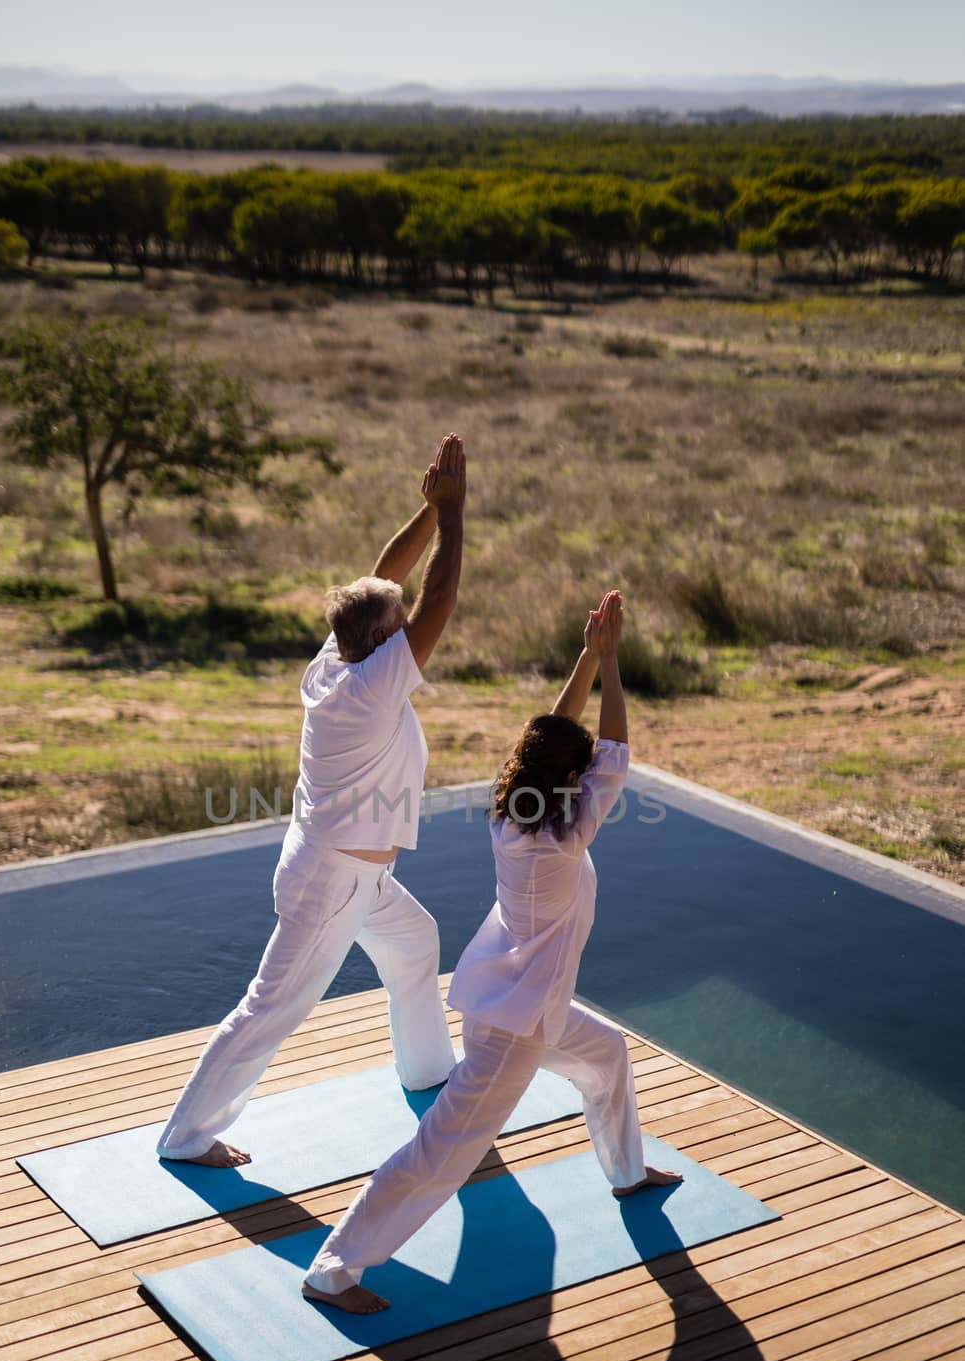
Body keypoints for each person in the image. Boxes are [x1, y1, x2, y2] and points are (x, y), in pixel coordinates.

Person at [302, 588, 682, 1312]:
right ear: (569, 781)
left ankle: (627, 1170)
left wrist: (588, 658)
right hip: (513, 1029)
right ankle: (334, 1269)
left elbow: (557, 737)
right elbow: (614, 753)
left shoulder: (516, 812)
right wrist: (612, 666)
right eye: (580, 769)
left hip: (522, 1004)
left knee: (605, 1057)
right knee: (440, 1153)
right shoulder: (563, 840)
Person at [156, 434, 467, 1167]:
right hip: (332, 882)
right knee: (272, 1007)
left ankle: (428, 1070)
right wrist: (454, 515)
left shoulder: (337, 659)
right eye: (398, 627)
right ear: (384, 642)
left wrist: (425, 512)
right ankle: (186, 1137)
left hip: (351, 873)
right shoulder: (370, 689)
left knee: (415, 944)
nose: (407, 631)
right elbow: (439, 596)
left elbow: (385, 579)